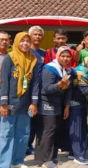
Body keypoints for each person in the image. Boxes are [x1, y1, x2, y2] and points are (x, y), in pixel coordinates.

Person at [0, 32, 39, 168]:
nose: (25, 44)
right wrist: (3, 104)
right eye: (22, 41)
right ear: (16, 42)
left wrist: (34, 103)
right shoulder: (9, 58)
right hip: (10, 103)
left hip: (25, 104)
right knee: (6, 134)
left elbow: (35, 83)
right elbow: (4, 81)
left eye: (27, 41)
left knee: (23, 134)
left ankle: (17, 161)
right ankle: (4, 164)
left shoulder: (33, 59)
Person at [35, 46, 73, 168]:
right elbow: (46, 89)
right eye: (63, 56)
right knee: (49, 131)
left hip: (59, 105)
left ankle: (52, 157)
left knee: (55, 131)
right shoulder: (49, 69)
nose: (65, 58)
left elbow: (68, 90)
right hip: (47, 104)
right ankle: (45, 159)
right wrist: (59, 84)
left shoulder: (66, 70)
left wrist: (67, 106)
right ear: (57, 56)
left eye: (68, 56)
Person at [27, 26, 46, 155]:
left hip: (41, 90)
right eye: (35, 34)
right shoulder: (26, 51)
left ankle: (31, 145)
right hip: (26, 90)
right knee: (26, 118)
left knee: (36, 119)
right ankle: (25, 144)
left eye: (40, 35)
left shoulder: (45, 53)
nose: (38, 37)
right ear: (30, 36)